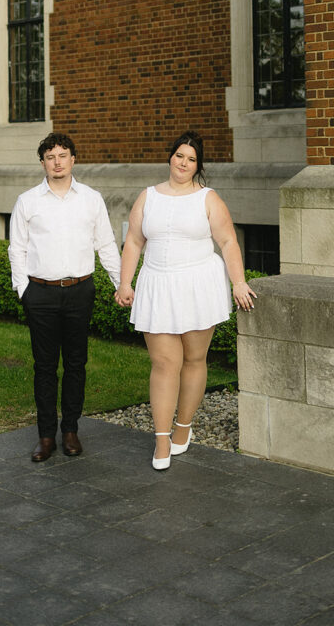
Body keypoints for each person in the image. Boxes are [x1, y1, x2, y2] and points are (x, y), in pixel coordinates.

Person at [114, 130, 256, 470]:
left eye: (191, 159)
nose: (183, 163)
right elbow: (134, 241)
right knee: (164, 363)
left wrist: (239, 282)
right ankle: (161, 438)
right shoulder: (148, 196)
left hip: (197, 285)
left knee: (194, 359)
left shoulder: (208, 198)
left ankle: (183, 426)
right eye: (180, 155)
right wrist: (124, 283)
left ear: (198, 166)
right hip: (158, 285)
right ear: (170, 157)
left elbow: (228, 242)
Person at [9, 132, 121, 462]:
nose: (57, 162)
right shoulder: (27, 201)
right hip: (40, 293)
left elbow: (106, 245)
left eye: (63, 155)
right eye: (50, 156)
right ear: (42, 162)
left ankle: (70, 430)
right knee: (44, 367)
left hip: (79, 291)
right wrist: (23, 291)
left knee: (76, 363)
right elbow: (17, 248)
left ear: (73, 159)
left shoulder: (91, 198)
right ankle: (46, 436)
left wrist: (121, 284)